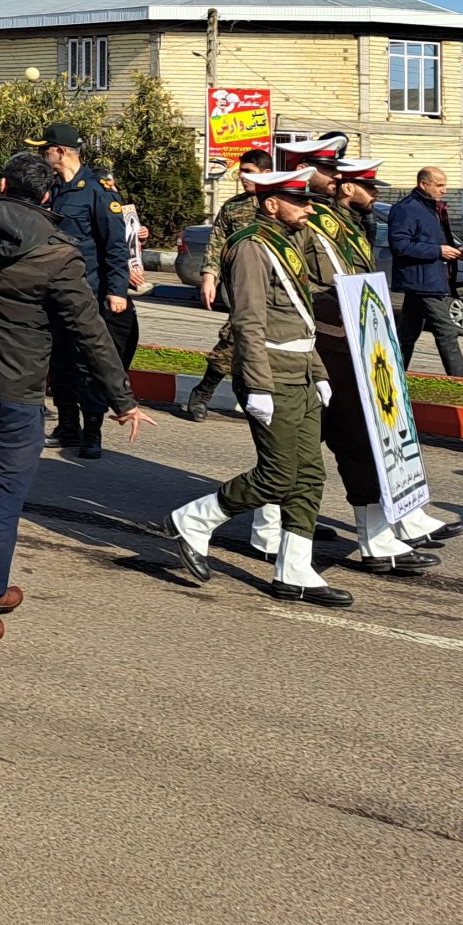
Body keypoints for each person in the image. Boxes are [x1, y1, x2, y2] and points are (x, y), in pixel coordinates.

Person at [0, 121, 148, 642]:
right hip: (16, 392)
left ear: (1, 186)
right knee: (0, 497)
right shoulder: (59, 254)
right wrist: (122, 399)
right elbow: (89, 331)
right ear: (47, 195)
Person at [162, 169, 354, 606]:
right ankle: (194, 518)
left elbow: (301, 317)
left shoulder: (286, 244)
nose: (309, 208)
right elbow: (248, 320)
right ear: (271, 204)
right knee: (278, 474)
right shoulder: (251, 247)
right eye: (298, 201)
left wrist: (319, 372)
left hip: (301, 370)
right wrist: (260, 385)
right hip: (271, 373)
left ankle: (295, 568)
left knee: (309, 474)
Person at [32, 122, 131, 458]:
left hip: (89, 291)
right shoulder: (54, 188)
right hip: (55, 290)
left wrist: (116, 290)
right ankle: (67, 426)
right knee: (60, 361)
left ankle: (92, 431)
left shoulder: (98, 190)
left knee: (88, 362)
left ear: (59, 151)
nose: (42, 156)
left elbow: (115, 246)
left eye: (45, 149)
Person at [182, 146, 272, 420]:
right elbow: (216, 243)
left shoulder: (281, 202)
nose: (242, 177)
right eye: (241, 171)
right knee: (235, 338)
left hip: (278, 288)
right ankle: (203, 392)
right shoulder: (234, 207)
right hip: (243, 287)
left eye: (249, 172)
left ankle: (259, 396)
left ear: (267, 173)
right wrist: (209, 277)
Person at [389, 165, 463, 378]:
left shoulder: (431, 208)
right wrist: (438, 251)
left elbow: (434, 241)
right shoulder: (406, 209)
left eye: (445, 185)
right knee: (447, 331)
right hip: (422, 282)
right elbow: (400, 246)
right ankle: (461, 381)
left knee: (407, 333)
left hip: (432, 279)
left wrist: (455, 251)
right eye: (439, 185)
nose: (444, 190)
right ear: (422, 184)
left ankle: (395, 375)